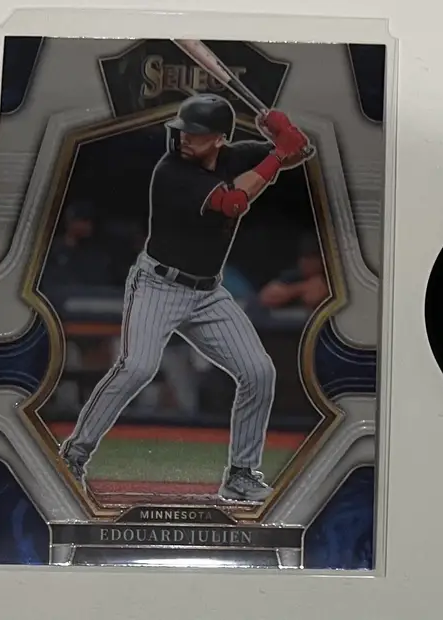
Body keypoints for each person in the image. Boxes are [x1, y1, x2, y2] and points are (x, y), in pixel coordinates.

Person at [59, 93, 312, 502]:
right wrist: (278, 154)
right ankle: (75, 454)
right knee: (137, 367)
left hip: (207, 293)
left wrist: (282, 135)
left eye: (195, 133)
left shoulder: (234, 156)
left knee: (259, 372)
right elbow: (233, 203)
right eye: (182, 131)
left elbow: (297, 153)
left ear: (219, 139)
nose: (183, 138)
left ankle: (241, 474)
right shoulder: (171, 172)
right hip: (158, 285)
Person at [259, 234, 328, 311]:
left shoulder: (329, 277)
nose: (304, 262)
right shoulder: (295, 275)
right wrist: (302, 288)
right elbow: (265, 297)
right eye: (303, 257)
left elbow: (312, 299)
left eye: (310, 258)